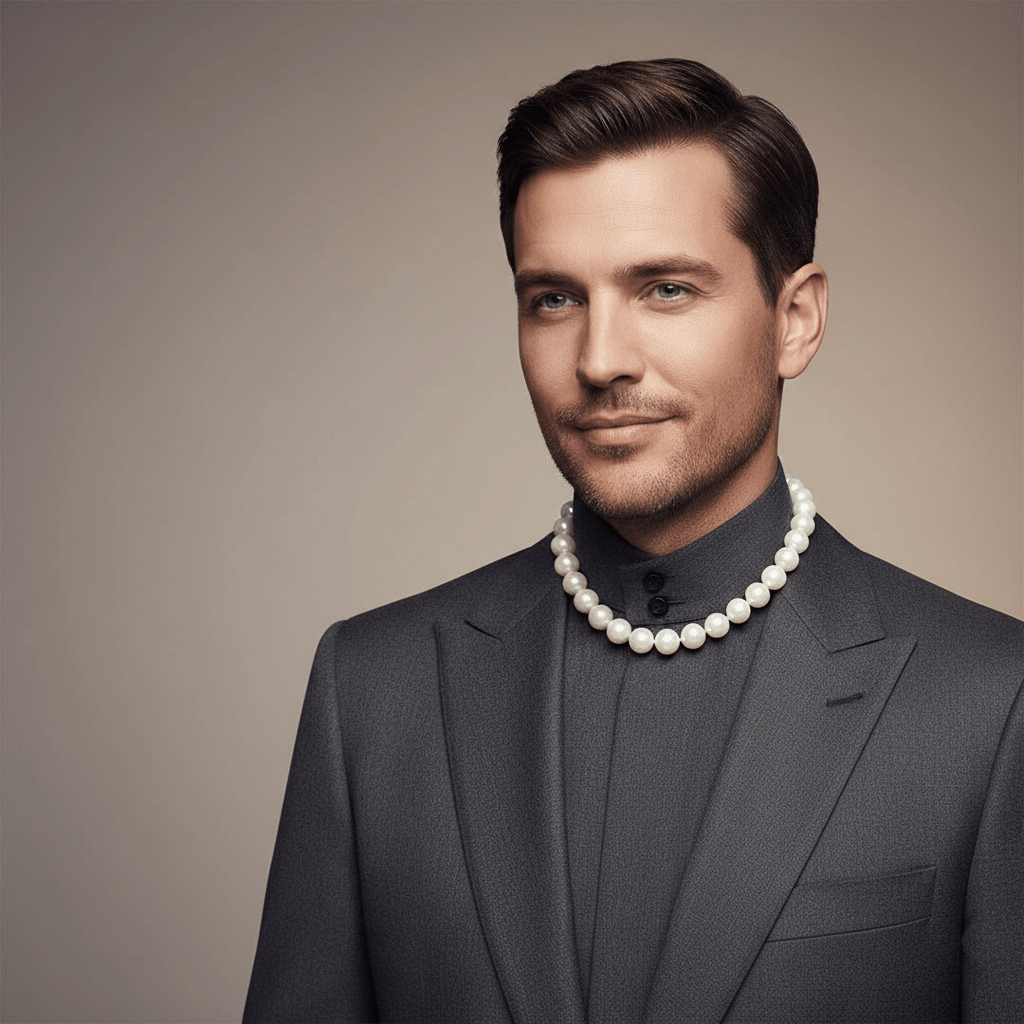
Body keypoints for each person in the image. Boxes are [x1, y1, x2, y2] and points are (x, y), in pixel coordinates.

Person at [242, 59, 1023, 1023]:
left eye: (664, 289)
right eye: (554, 299)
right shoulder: (371, 692)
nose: (600, 361)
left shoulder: (992, 702)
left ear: (796, 319)